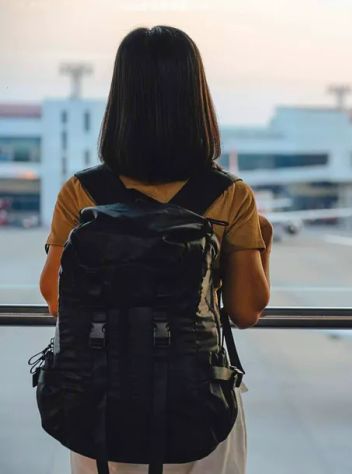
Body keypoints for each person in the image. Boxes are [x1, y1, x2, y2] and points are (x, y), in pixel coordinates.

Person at [38, 25, 272, 474]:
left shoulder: (83, 191)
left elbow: (55, 299)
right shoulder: (229, 195)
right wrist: (265, 241)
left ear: (119, 99)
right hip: (197, 403)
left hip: (99, 407)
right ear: (196, 98)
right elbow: (246, 310)